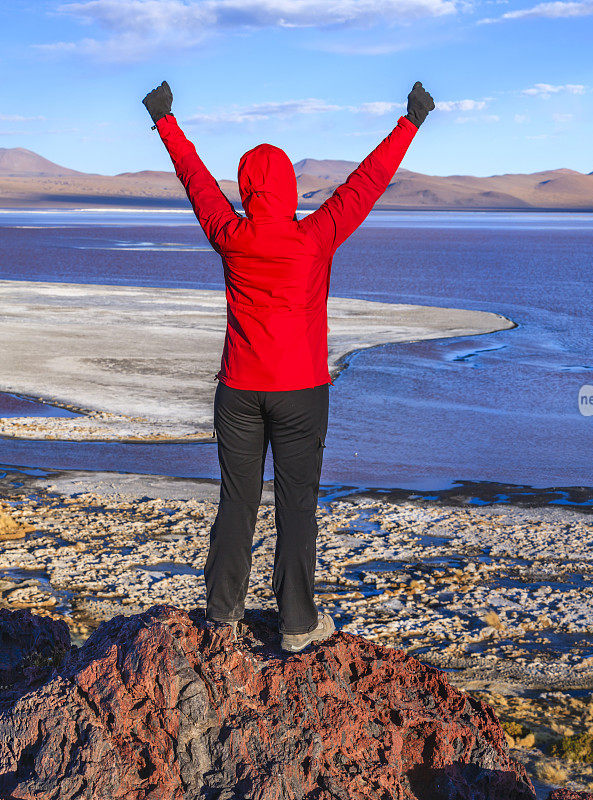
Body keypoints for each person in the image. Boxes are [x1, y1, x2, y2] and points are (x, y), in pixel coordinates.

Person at [141, 79, 435, 653]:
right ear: (291, 190)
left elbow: (195, 180)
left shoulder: (230, 234)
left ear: (248, 192)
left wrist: (165, 123)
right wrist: (410, 123)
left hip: (240, 389)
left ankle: (223, 615)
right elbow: (365, 185)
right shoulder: (316, 236)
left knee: (238, 501)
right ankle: (298, 623)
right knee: (296, 505)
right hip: (301, 390)